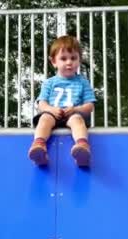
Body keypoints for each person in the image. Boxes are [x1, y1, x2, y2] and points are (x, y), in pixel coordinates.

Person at [27, 35, 96, 167]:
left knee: (78, 120)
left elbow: (90, 106)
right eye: (63, 59)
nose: (69, 62)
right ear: (54, 61)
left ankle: (82, 147)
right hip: (53, 114)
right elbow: (41, 104)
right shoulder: (49, 82)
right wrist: (51, 109)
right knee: (45, 118)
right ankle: (39, 146)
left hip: (72, 114)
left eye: (73, 58)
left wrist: (76, 109)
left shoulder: (83, 82)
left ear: (79, 60)